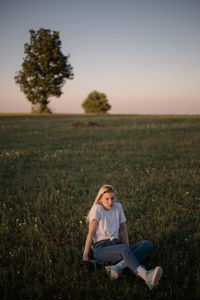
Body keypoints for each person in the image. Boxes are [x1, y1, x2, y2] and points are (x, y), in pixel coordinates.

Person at [82, 185, 163, 290]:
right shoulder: (97, 209)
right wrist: (85, 256)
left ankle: (116, 267)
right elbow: (91, 233)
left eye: (112, 198)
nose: (110, 202)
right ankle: (146, 276)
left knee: (147, 244)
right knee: (124, 249)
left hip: (116, 245)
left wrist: (127, 249)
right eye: (106, 199)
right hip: (101, 248)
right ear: (101, 199)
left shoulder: (118, 207)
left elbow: (123, 229)